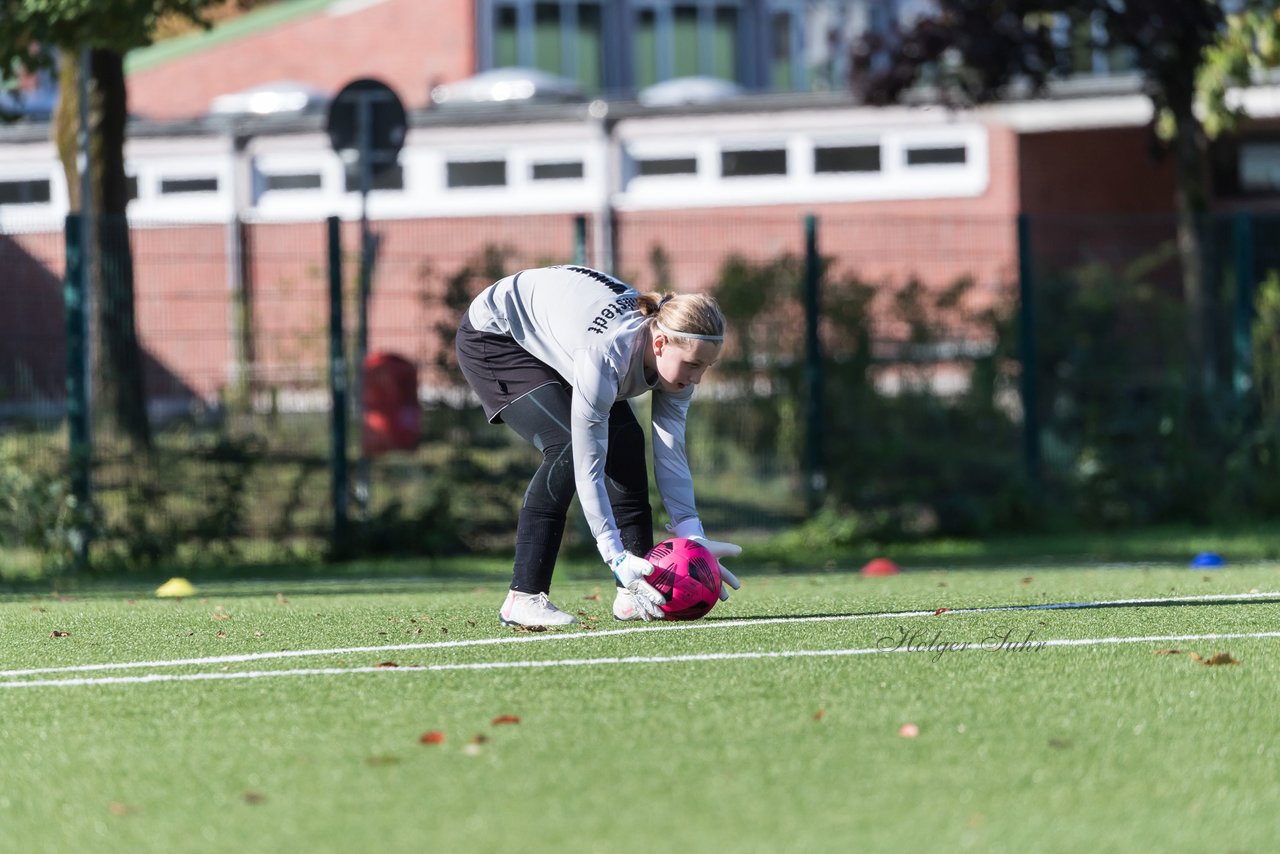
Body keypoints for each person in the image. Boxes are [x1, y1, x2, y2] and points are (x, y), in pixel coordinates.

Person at [455, 264, 742, 627]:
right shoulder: (605, 355)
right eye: (692, 365)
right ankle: (523, 597)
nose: (697, 378)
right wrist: (614, 553)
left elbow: (671, 452)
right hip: (498, 337)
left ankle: (634, 592)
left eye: (707, 366)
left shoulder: (673, 362)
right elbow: (588, 463)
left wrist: (692, 533)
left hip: (561, 331)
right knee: (568, 446)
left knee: (626, 442)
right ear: (659, 343)